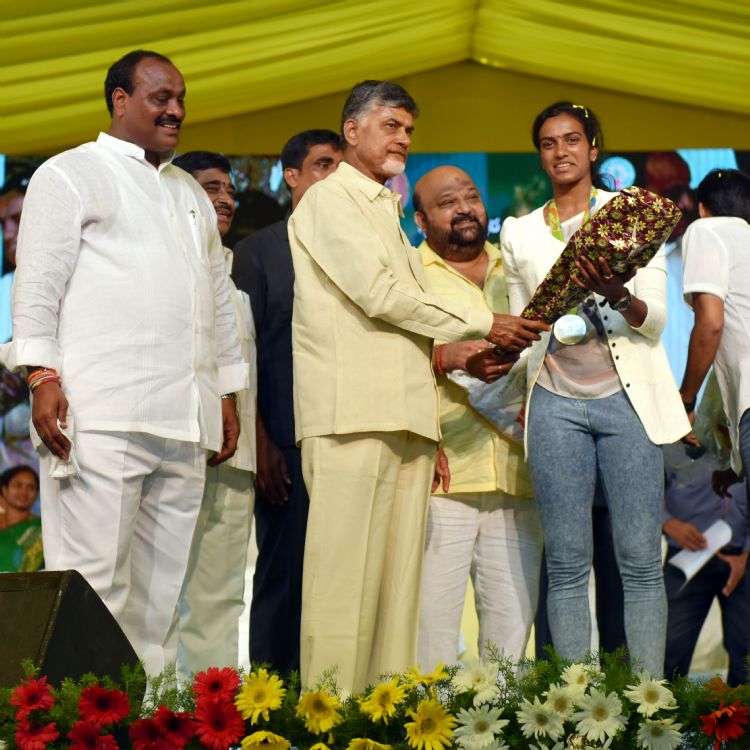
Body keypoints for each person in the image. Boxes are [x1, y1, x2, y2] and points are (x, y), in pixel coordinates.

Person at [288, 80, 548, 693]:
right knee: (342, 587)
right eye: (391, 125)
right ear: (352, 130)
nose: (403, 138)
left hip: (406, 419)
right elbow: (382, 295)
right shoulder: (329, 200)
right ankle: (330, 717)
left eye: (408, 129)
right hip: (351, 416)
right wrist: (485, 321)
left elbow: (413, 319)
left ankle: (383, 717)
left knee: (397, 599)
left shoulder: (385, 209)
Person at [5, 50, 246, 674]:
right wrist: (41, 375)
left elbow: (217, 298)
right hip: (100, 414)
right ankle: (78, 719)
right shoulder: (70, 173)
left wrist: (225, 392)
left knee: (160, 602)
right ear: (119, 100)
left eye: (181, 99)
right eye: (161, 97)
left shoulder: (189, 191)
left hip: (184, 420)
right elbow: (37, 284)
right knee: (92, 589)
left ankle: (148, 720)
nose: (176, 110)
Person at [496, 101, 689, 676]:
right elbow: (525, 325)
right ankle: (572, 700)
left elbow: (654, 320)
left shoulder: (630, 216)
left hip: (628, 402)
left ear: (594, 148)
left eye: (572, 139)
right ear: (540, 155)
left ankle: (650, 699)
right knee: (566, 562)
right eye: (549, 142)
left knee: (640, 560)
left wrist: (616, 293)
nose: (561, 151)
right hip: (555, 401)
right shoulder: (520, 232)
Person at [411, 165, 543, 668]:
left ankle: (503, 717)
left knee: (511, 633)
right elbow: (384, 358)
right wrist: (445, 356)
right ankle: (433, 718)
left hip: (520, 471)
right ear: (420, 220)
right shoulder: (408, 274)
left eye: (471, 196)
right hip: (442, 474)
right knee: (431, 629)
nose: (465, 208)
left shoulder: (519, 267)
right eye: (448, 202)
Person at [232, 129, 342, 675]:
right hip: (284, 443)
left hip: (346, 437)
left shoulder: (359, 250)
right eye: (322, 165)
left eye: (341, 167)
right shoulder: (259, 252)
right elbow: (240, 354)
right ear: (291, 177)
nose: (334, 177)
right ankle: (271, 705)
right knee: (284, 577)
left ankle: (338, 703)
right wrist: (261, 442)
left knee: (341, 581)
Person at [172, 150, 257, 679]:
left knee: (223, 595)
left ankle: (210, 710)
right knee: (160, 591)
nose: (224, 199)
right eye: (210, 188)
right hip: (174, 447)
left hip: (237, 458)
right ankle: (154, 711)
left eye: (229, 190)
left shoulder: (241, 276)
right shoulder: (165, 268)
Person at [662, 379, 750, 686]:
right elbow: (645, 494)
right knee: (669, 654)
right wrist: (668, 523)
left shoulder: (744, 440)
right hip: (687, 559)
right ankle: (662, 715)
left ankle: (739, 716)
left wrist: (745, 554)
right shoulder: (672, 439)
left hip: (741, 560)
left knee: (747, 659)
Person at [679, 169, 750, 499]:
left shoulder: (706, 229)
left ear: (702, 208)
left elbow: (711, 324)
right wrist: (736, 462)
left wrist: (686, 399)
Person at [0, 465, 42, 572]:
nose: (24, 492)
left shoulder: (42, 527)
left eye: (31, 487)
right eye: (18, 485)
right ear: (4, 490)